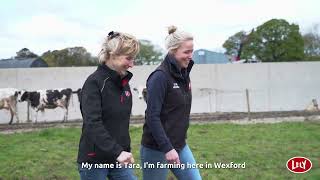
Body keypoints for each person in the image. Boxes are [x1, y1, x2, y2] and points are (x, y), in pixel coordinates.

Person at [140, 26, 202, 180]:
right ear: (173, 51)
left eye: (191, 51)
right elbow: (152, 117)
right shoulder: (159, 77)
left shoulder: (184, 73)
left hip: (179, 145)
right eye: (186, 52)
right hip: (156, 149)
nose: (190, 56)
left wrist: (175, 145)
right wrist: (167, 148)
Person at [77, 31, 139, 180]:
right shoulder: (94, 83)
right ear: (112, 54)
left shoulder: (123, 82)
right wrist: (118, 152)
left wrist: (123, 151)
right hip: (94, 161)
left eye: (134, 59)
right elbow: (93, 123)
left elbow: (120, 123)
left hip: (119, 159)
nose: (132, 64)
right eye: (128, 58)